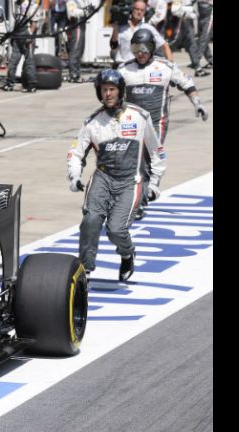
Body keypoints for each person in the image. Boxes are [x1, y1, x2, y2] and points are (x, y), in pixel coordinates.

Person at [66, 69, 166, 282]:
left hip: (131, 180)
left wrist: (155, 182)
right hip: (102, 177)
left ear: (120, 91)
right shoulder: (92, 122)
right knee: (91, 220)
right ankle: (85, 270)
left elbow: (157, 151)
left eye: (112, 89)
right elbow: (76, 152)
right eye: (104, 90)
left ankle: (127, 253)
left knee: (116, 230)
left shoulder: (139, 116)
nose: (108, 94)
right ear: (99, 93)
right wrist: (74, 176)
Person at [119, 28, 207, 220]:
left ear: (151, 48)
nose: (139, 53)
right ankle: (140, 194)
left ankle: (140, 202)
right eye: (135, 48)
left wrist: (197, 104)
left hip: (156, 123)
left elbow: (187, 84)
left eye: (144, 48)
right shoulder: (124, 69)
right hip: (131, 124)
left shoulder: (165, 67)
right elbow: (110, 94)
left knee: (147, 161)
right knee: (132, 163)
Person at [110, 0, 172, 66]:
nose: (139, 12)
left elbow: (165, 45)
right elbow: (113, 46)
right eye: (137, 9)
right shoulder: (121, 27)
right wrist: (115, 27)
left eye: (142, 10)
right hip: (122, 65)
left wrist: (171, 64)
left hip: (139, 67)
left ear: (145, 13)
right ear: (132, 10)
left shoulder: (148, 28)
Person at [2, 0, 40, 93]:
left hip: (27, 35)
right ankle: (9, 83)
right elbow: (16, 21)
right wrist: (12, 36)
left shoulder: (32, 4)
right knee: (13, 60)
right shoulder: (16, 4)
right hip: (17, 35)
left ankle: (31, 84)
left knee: (29, 61)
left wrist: (30, 35)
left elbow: (34, 23)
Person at [168, 0, 209, 77]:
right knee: (173, 44)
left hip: (186, 21)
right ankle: (160, 63)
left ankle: (198, 68)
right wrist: (189, 13)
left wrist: (192, 12)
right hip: (179, 21)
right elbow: (175, 10)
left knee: (191, 43)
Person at [65, 0, 95, 83]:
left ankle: (76, 73)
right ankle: (73, 74)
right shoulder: (71, 1)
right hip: (76, 25)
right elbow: (71, 13)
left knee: (80, 50)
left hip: (81, 24)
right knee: (75, 50)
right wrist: (84, 11)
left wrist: (89, 10)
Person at [196, 0, 213, 69]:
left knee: (203, 39)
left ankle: (196, 60)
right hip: (201, 16)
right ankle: (211, 60)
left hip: (209, 16)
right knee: (200, 39)